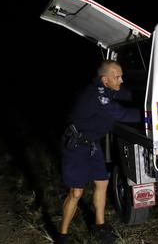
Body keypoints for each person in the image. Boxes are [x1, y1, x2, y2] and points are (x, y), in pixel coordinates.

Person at [56, 60, 140, 243]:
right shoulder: (96, 97)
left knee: (102, 183)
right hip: (76, 146)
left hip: (92, 145)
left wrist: (148, 94)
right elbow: (122, 115)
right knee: (76, 193)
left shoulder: (106, 89)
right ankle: (62, 235)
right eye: (117, 77)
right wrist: (153, 113)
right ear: (105, 80)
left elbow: (126, 94)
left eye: (121, 76)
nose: (121, 80)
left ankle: (99, 226)